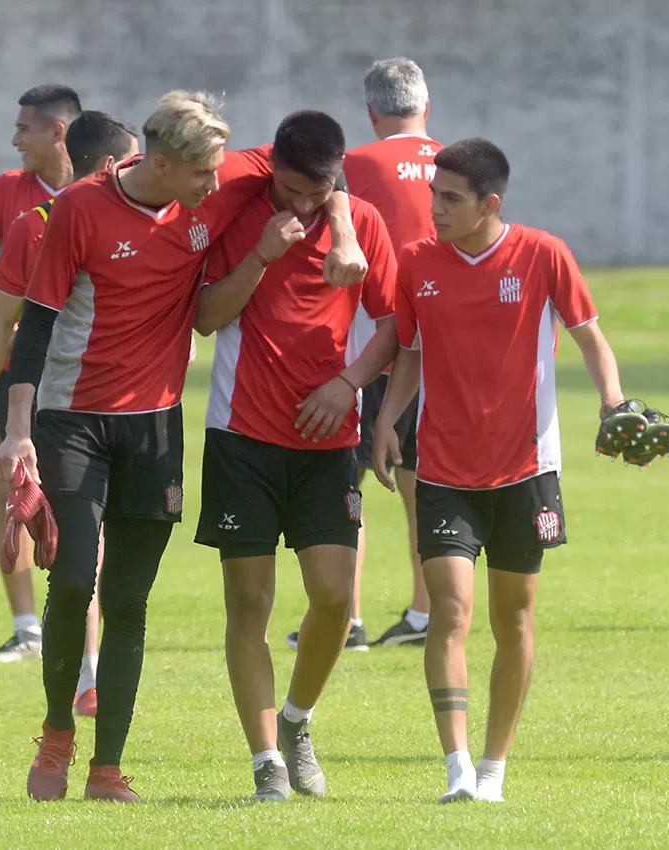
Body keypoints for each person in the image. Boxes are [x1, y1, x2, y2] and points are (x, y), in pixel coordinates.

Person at [0, 90, 369, 803]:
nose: (216, 185)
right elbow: (37, 323)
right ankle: (55, 732)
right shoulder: (80, 209)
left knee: (130, 599)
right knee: (74, 580)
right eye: (203, 175)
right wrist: (18, 431)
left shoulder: (218, 185)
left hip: (156, 426)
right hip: (72, 419)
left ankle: (108, 771)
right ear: (159, 164)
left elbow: (323, 164)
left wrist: (344, 226)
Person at [371, 138, 632, 803]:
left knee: (513, 620)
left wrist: (612, 402)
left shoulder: (543, 254)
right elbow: (409, 351)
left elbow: (590, 338)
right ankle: (457, 768)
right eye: (433, 194)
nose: (435, 208)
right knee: (451, 611)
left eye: (451, 198)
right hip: (444, 472)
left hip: (527, 472)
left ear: (490, 203)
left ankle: (494, 768)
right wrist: (384, 421)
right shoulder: (417, 262)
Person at [193, 110, 400, 802]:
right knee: (249, 602)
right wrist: (260, 255)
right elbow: (207, 316)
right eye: (289, 189)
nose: (302, 205)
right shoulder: (242, 213)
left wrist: (349, 386)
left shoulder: (361, 222)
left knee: (335, 598)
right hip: (241, 437)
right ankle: (265, 764)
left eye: (317, 193)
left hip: (329, 441)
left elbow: (397, 324)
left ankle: (297, 721)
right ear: (271, 169)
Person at [0, 113, 140, 695]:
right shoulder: (37, 223)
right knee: (49, 526)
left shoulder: (140, 224)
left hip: (105, 402)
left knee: (83, 535)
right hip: (43, 401)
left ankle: (85, 669)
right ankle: (52, 647)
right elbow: (3, 326)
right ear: (113, 164)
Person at [286, 57, 442, 653]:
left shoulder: (352, 167)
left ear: (372, 112)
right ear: (426, 106)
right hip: (439, 343)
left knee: (345, 478)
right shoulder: (459, 165)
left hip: (370, 337)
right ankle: (426, 614)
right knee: (422, 481)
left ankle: (344, 617)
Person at [0, 85, 81, 299]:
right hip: (27, 331)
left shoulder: (96, 189)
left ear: (56, 132)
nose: (15, 140)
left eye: (23, 129)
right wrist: (26, 311)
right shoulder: (8, 186)